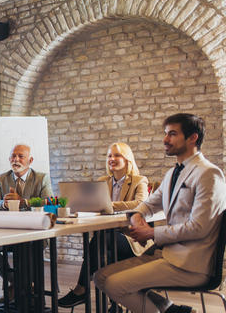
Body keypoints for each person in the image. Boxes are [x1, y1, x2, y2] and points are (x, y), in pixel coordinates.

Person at [94, 114, 226, 313]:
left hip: (190, 264)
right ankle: (168, 309)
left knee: (115, 285)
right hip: (166, 255)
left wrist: (151, 233)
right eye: (166, 134)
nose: (165, 140)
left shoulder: (209, 174)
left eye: (172, 134)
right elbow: (148, 204)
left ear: (193, 138)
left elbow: (199, 228)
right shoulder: (173, 173)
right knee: (100, 277)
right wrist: (137, 215)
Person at [58, 143, 153, 311]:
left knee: (98, 243)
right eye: (109, 156)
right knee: (102, 253)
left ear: (127, 159)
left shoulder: (139, 181)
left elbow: (140, 203)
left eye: (117, 155)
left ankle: (81, 291)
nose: (112, 159)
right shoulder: (103, 181)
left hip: (131, 239)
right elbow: (93, 203)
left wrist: (111, 205)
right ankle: (115, 303)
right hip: (109, 238)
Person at [0, 143, 53, 303]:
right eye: (13, 156)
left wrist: (23, 202)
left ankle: (26, 292)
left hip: (35, 233)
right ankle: (15, 280)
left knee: (26, 244)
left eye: (21, 156)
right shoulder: (2, 178)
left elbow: (48, 202)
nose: (16, 159)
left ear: (30, 160)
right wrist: (4, 204)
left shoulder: (42, 178)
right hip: (8, 232)